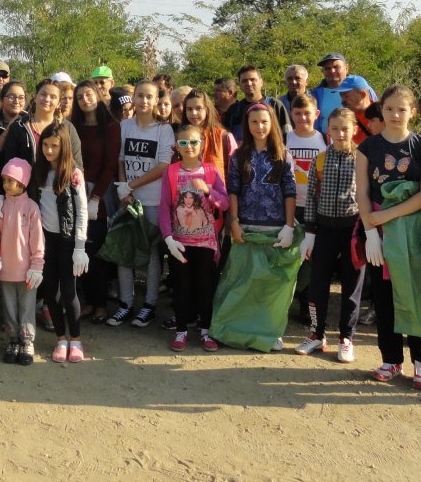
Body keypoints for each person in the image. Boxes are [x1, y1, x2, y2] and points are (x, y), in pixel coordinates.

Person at [356, 85, 421, 387]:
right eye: (389, 109)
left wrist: (385, 217)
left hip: (414, 230)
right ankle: (391, 360)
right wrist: (370, 231)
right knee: (384, 297)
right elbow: (362, 191)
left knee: (415, 294)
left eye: (401, 109)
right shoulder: (367, 148)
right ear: (382, 110)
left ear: (412, 112)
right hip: (377, 231)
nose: (394, 115)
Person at [226, 102, 297, 350]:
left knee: (271, 285)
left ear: (272, 124)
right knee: (244, 282)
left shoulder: (282, 154)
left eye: (264, 122)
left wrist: (289, 226)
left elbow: (289, 191)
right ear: (247, 124)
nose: (259, 126)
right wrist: (234, 222)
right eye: (254, 122)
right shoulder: (239, 155)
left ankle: (270, 331)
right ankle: (241, 329)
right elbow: (233, 190)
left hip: (274, 228)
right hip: (246, 225)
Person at [298, 107, 364, 362]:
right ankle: (317, 334)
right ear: (328, 130)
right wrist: (310, 232)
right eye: (334, 128)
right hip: (324, 229)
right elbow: (312, 197)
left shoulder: (362, 158)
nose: (339, 133)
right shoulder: (321, 159)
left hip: (353, 230)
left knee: (351, 287)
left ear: (354, 129)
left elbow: (367, 197)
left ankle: (347, 337)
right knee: (317, 285)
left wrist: (370, 232)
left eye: (345, 128)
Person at [110, 80, 175, 328]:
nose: (144, 101)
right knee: (125, 252)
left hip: (152, 201)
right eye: (140, 96)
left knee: (151, 255)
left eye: (149, 97)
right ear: (133, 99)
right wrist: (123, 189)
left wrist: (132, 186)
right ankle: (126, 304)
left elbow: (162, 166)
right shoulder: (124, 126)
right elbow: (121, 159)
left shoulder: (164, 130)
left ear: (157, 100)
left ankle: (148, 305)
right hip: (128, 199)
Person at [161, 124, 229, 352]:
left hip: (206, 243)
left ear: (201, 144)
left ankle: (205, 330)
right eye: (183, 143)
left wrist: (208, 191)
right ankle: (181, 331)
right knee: (181, 287)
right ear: (176, 146)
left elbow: (225, 202)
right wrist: (168, 238)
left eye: (193, 142)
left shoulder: (210, 170)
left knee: (204, 287)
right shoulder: (171, 172)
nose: (188, 147)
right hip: (179, 243)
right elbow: (164, 208)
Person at [31, 123, 89, 363]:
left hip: (68, 240)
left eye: (54, 145)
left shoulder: (73, 173)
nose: (49, 150)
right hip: (47, 241)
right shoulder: (39, 171)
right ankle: (60, 338)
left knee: (69, 292)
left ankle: (75, 339)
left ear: (64, 146)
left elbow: (82, 210)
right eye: (45, 145)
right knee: (51, 294)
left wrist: (80, 247)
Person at [71, 80, 121, 324]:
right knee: (79, 248)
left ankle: (101, 304)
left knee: (96, 251)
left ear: (98, 96)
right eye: (79, 97)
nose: (85, 100)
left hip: (99, 195)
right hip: (75, 191)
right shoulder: (74, 126)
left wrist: (96, 197)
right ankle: (88, 302)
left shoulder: (111, 126)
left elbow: (111, 165)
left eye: (88, 94)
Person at [0, 158, 44, 365]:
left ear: (22, 183)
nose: (6, 185)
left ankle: (27, 341)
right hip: (6, 269)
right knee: (9, 307)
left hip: (27, 271)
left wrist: (37, 266)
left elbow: (37, 239)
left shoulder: (31, 208)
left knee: (27, 306)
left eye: (10, 181)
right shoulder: (1, 205)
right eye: (4, 180)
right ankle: (13, 339)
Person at [286, 93, 327, 323]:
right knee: (289, 256)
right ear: (291, 114)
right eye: (298, 113)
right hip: (290, 206)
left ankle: (305, 304)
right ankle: (284, 301)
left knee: (311, 260)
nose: (302, 117)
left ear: (316, 114)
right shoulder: (284, 139)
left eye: (307, 113)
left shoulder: (325, 140)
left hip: (315, 208)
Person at [2, 79, 84, 184]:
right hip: (26, 193)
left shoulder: (67, 128)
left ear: (59, 103)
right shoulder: (19, 127)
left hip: (58, 192)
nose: (47, 99)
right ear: (35, 96)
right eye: (43, 94)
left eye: (53, 97)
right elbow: (10, 163)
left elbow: (77, 165)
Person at [310, 54, 376, 135]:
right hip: (328, 143)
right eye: (327, 68)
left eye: (336, 67)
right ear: (323, 71)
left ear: (347, 68)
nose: (332, 71)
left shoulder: (362, 88)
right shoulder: (314, 95)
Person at [222, 66, 291, 142]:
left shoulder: (275, 105)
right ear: (240, 85)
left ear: (261, 82)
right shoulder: (234, 110)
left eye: (252, 79)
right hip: (242, 153)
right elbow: (226, 140)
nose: (249, 83)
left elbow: (288, 136)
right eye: (244, 81)